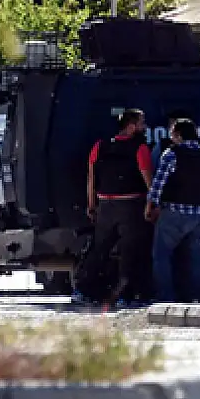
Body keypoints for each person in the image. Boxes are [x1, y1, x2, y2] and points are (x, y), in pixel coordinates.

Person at [81, 108, 154, 306]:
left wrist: (91, 204)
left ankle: (84, 290)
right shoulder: (140, 148)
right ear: (131, 127)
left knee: (99, 249)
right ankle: (124, 294)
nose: (145, 127)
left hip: (105, 204)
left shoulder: (100, 146)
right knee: (129, 251)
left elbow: (91, 178)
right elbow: (148, 180)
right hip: (131, 206)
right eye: (141, 123)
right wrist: (153, 204)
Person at [146, 118, 200, 304]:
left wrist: (151, 205)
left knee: (162, 254)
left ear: (178, 135)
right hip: (199, 214)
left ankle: (166, 295)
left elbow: (158, 183)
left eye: (172, 133)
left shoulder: (172, 154)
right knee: (196, 255)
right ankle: (198, 295)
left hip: (173, 212)